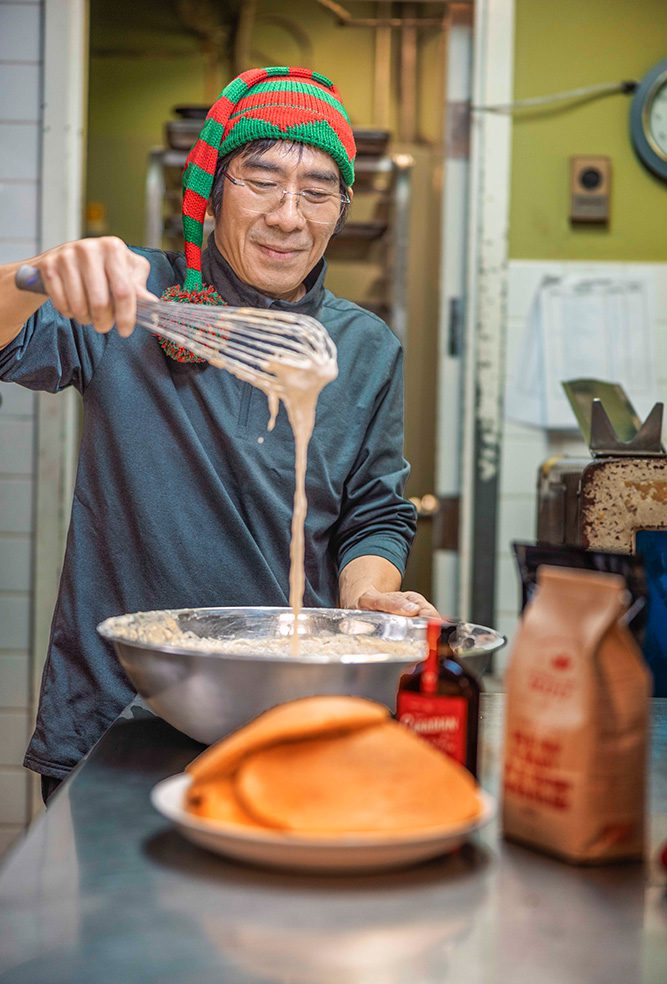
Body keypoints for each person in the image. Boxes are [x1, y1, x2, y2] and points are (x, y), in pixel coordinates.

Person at [0, 66, 438, 798]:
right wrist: (30, 277)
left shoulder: (363, 349)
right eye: (260, 179)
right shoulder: (130, 301)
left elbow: (374, 510)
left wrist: (367, 595)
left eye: (316, 190)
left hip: (287, 714)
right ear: (211, 192)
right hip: (120, 713)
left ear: (341, 207)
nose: (288, 215)